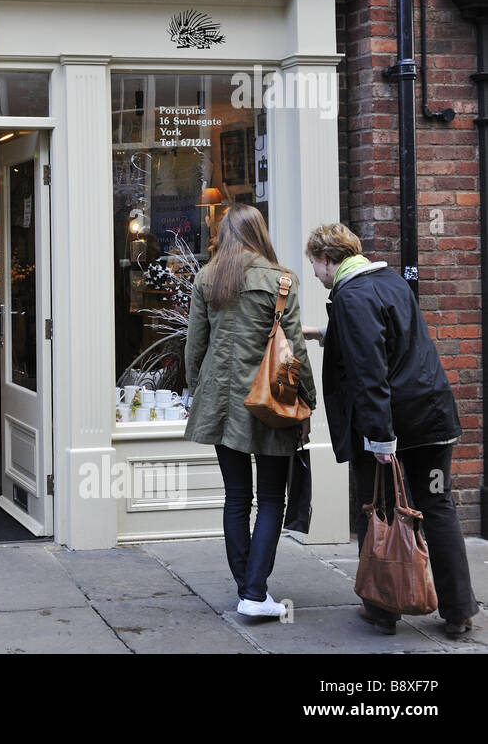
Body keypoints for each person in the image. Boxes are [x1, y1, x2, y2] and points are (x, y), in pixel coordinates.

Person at [303, 223, 479, 638]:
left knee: (377, 509)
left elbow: (370, 370)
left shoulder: (350, 297)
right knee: (438, 507)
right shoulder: (389, 281)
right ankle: (459, 611)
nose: (313, 272)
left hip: (392, 427)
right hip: (434, 422)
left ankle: (382, 610)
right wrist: (324, 333)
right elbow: (387, 337)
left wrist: (381, 439)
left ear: (329, 259)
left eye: (314, 263)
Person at [185, 204, 315, 618]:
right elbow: (294, 350)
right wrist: (307, 400)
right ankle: (255, 592)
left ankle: (248, 589)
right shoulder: (281, 280)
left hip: (221, 405)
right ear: (259, 233)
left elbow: (194, 346)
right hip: (270, 403)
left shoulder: (208, 278)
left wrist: (196, 389)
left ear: (224, 235)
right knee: (271, 497)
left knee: (236, 497)